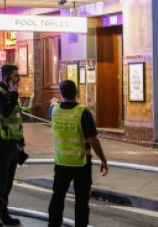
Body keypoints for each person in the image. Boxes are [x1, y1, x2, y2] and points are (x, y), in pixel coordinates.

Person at [47, 80, 108, 227]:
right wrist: (103, 160)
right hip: (81, 163)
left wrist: (54, 101)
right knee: (81, 201)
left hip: (61, 162)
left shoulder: (54, 110)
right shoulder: (83, 113)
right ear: (76, 93)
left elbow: (53, 105)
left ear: (61, 93)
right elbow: (93, 140)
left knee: (57, 198)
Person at [0, 63, 24, 227]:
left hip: (12, 142)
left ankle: (4, 213)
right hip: (0, 141)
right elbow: (6, 111)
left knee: (8, 181)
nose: (19, 79)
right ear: (7, 77)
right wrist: (14, 95)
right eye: (16, 76)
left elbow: (16, 119)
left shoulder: (11, 93)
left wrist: (21, 142)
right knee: (0, 180)